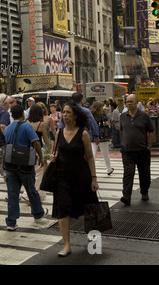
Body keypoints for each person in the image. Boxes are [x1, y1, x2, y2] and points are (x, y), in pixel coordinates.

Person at [49, 101, 99, 257]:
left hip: (81, 175)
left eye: (68, 112)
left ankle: (94, 237)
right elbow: (56, 152)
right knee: (62, 209)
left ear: (75, 115)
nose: (65, 115)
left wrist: (94, 178)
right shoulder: (59, 132)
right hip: (62, 176)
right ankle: (66, 244)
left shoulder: (83, 133)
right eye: (63, 112)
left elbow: (90, 157)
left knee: (89, 208)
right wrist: (52, 157)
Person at [4, 105, 48, 231]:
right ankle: (38, 213)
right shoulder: (26, 126)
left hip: (10, 164)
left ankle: (11, 222)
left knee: (12, 193)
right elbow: (36, 142)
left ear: (12, 115)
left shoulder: (7, 129)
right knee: (31, 189)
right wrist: (41, 156)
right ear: (23, 115)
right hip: (25, 163)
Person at [119, 94, 155, 205]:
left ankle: (144, 191)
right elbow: (121, 130)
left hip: (142, 150)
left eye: (131, 101)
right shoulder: (122, 116)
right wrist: (124, 142)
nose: (129, 103)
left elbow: (151, 131)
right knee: (128, 174)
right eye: (127, 101)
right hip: (127, 151)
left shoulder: (144, 116)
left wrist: (149, 146)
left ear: (136, 103)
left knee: (144, 173)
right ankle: (126, 196)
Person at [24, 105, 50, 201]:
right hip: (38, 150)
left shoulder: (26, 123)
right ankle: (30, 195)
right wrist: (47, 147)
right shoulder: (41, 124)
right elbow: (45, 138)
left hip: (27, 150)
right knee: (39, 173)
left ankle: (35, 193)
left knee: (29, 173)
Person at [90, 101, 114, 175]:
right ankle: (109, 169)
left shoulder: (90, 114)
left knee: (92, 154)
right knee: (105, 154)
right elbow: (106, 124)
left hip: (93, 135)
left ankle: (90, 170)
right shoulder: (103, 115)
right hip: (102, 136)